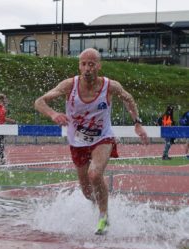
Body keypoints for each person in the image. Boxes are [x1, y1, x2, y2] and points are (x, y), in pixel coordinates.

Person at [35, 48, 149, 235]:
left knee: (94, 174)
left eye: (91, 64)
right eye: (83, 64)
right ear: (79, 66)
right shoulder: (69, 85)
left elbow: (128, 99)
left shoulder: (110, 86)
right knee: (87, 193)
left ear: (99, 66)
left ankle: (104, 216)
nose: (87, 68)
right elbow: (39, 101)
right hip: (77, 142)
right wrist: (53, 114)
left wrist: (137, 123)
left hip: (102, 138)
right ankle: (100, 206)